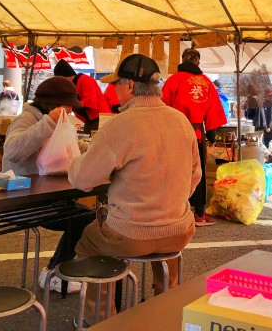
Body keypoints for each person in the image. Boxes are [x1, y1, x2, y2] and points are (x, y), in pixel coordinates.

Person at [68, 54, 200, 325]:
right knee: (167, 239)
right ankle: (167, 306)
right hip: (178, 231)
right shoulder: (181, 121)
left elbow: (82, 179)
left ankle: (102, 321)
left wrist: (76, 159)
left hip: (130, 234)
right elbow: (194, 176)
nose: (113, 90)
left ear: (129, 86)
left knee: (88, 244)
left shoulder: (121, 125)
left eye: (116, 84)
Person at [2, 77, 92, 293]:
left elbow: (72, 146)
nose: (70, 111)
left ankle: (55, 272)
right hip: (22, 200)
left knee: (85, 217)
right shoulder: (26, 119)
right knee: (82, 218)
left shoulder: (57, 121)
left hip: (48, 197)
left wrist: (96, 147)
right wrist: (48, 123)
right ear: (53, 104)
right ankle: (55, 273)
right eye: (68, 105)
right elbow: (12, 151)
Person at [162, 46, 227, 226]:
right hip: (196, 134)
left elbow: (162, 106)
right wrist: (212, 136)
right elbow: (214, 110)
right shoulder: (206, 82)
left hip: (173, 133)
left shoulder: (172, 80)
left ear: (182, 60)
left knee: (173, 171)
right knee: (197, 173)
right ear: (198, 62)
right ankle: (198, 214)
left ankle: (173, 212)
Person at [53, 59, 111, 133]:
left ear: (64, 76)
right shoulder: (71, 85)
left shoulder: (85, 80)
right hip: (89, 120)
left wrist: (71, 106)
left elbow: (90, 101)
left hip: (100, 119)